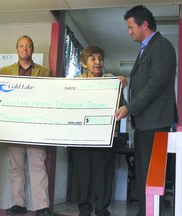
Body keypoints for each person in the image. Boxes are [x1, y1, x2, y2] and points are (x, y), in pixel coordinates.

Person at [115, 5, 179, 216]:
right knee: (144, 175)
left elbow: (156, 84)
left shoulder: (161, 46)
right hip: (144, 123)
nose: (129, 31)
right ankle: (145, 212)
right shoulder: (146, 49)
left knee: (152, 177)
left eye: (131, 26)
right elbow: (144, 84)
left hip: (155, 123)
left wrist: (129, 107)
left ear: (145, 24)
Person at [0, 35, 54, 216]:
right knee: (16, 166)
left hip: (36, 126)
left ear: (32, 49)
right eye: (21, 46)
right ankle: (18, 204)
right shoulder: (5, 71)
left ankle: (42, 206)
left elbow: (49, 97)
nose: (25, 49)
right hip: (13, 126)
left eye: (28, 46)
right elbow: (0, 96)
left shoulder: (45, 71)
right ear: (17, 49)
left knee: (37, 165)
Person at [71, 45, 127, 216]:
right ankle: (84, 210)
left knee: (103, 176)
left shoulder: (112, 81)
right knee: (83, 176)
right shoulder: (74, 83)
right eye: (92, 59)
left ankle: (102, 210)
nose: (97, 62)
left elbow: (121, 109)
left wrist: (121, 88)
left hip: (105, 137)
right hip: (81, 138)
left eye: (100, 59)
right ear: (83, 63)